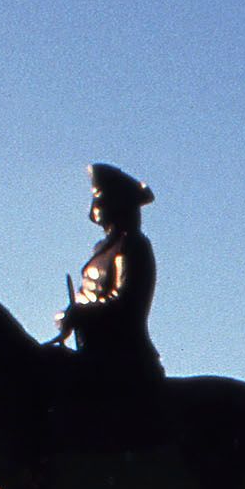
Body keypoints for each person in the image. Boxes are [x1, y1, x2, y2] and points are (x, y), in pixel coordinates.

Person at [55, 162, 164, 388]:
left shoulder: (132, 245)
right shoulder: (101, 250)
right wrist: (69, 315)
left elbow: (126, 303)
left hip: (123, 359)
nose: (94, 208)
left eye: (100, 199)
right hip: (93, 352)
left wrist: (81, 313)